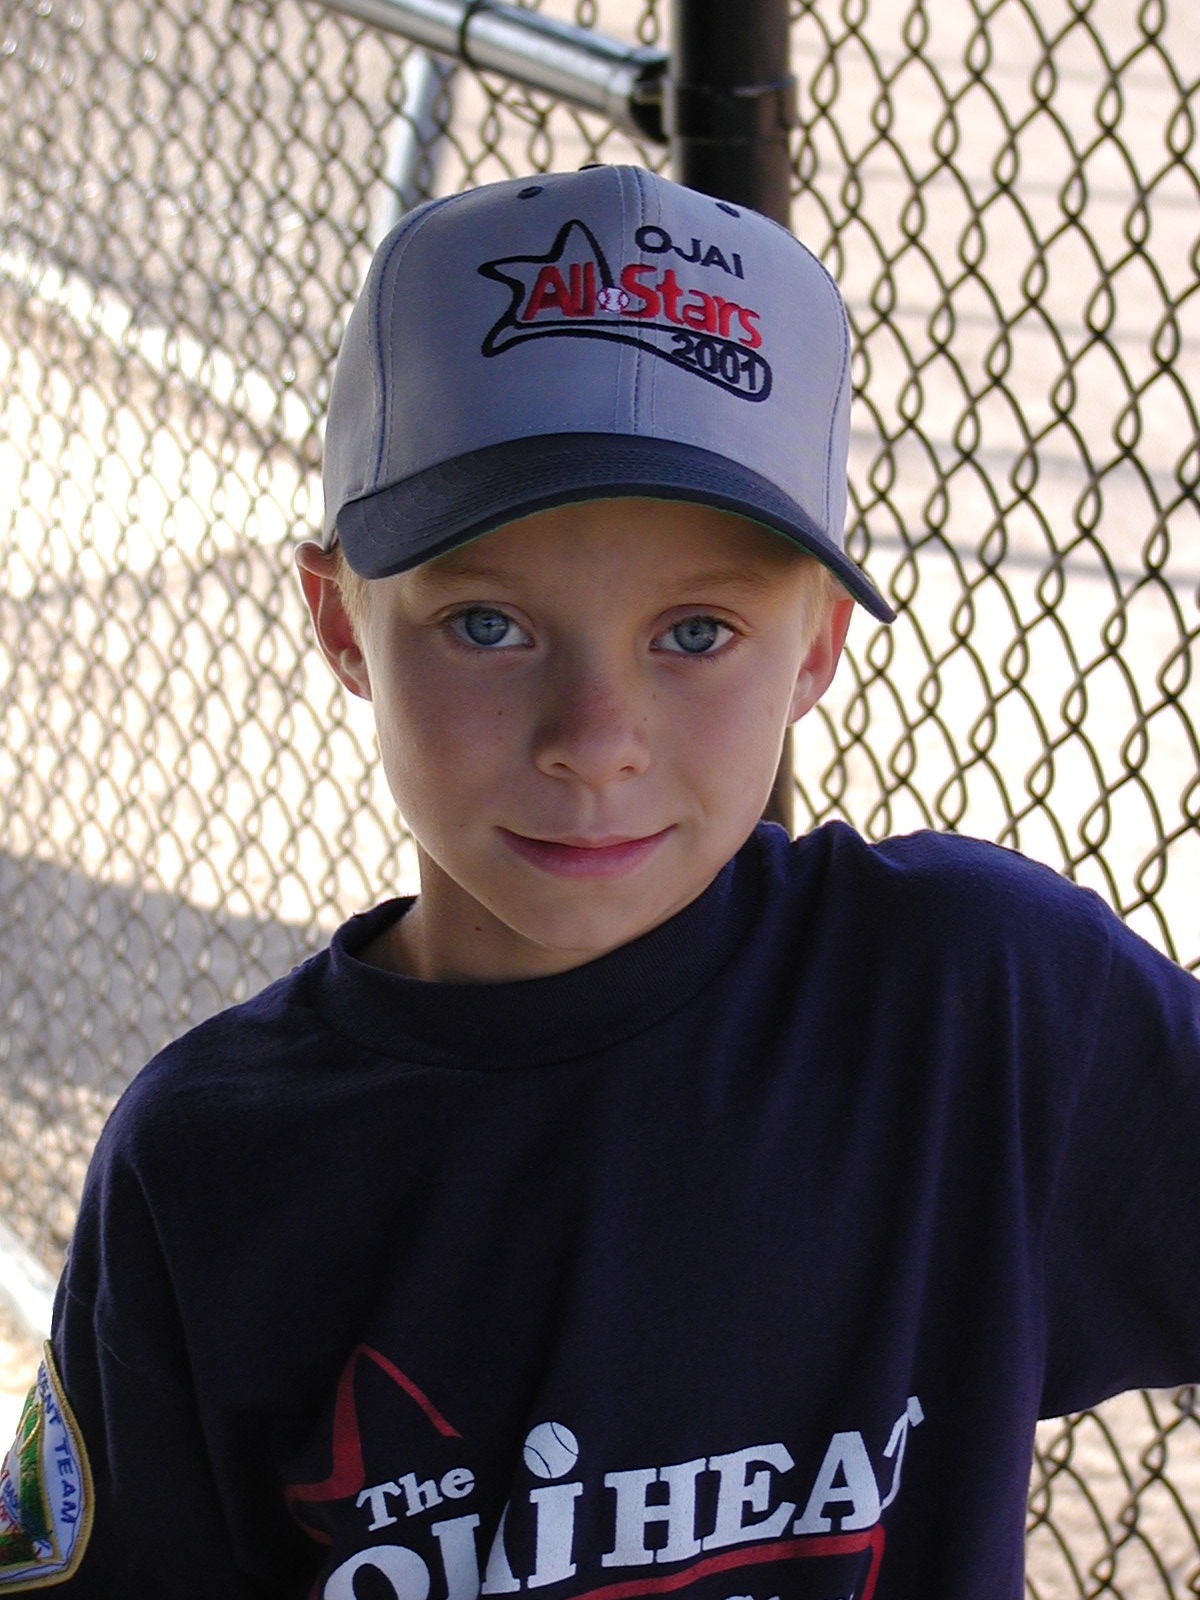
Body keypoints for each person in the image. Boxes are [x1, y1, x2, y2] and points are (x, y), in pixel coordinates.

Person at [2, 164, 1197, 1599]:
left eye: (695, 633)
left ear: (817, 646)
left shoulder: (975, 1009)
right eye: (486, 624)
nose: (595, 741)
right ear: (342, 622)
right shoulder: (213, 1170)